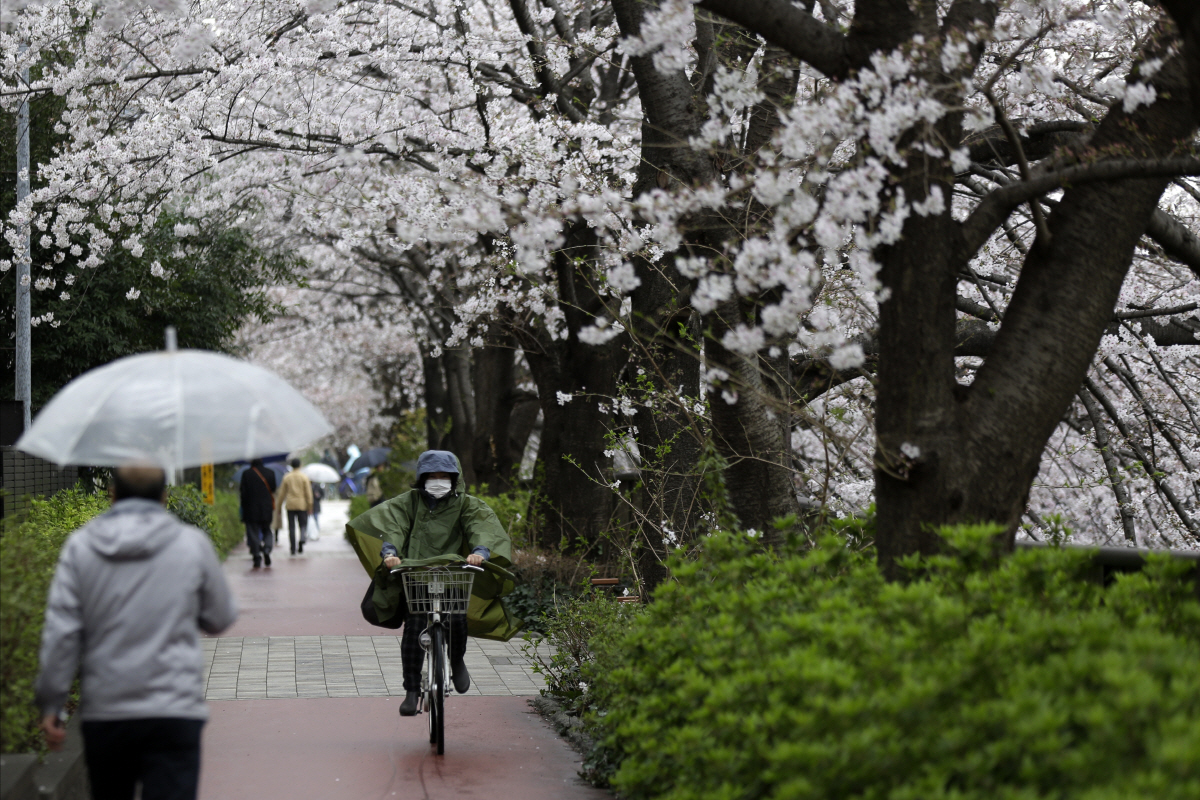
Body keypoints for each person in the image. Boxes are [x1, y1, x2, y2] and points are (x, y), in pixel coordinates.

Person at [35, 464, 237, 800]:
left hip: (107, 711)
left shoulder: (80, 546)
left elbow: (62, 632)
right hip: (174, 708)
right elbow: (221, 616)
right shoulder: (192, 544)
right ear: (164, 496)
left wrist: (51, 704)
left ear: (112, 494)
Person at [367, 450, 512, 716]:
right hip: (416, 575)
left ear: (453, 478)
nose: (437, 480)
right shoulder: (409, 503)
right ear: (421, 478)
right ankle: (412, 690)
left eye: (443, 476)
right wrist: (390, 552)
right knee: (414, 630)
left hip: (452, 574)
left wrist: (480, 552)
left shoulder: (466, 504)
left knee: (456, 620)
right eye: (431, 476)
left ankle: (456, 661)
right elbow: (395, 527)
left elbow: (480, 526)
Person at [239, 458, 276, 568]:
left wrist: (243, 508)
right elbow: (273, 489)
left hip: (251, 509)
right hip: (266, 508)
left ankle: (256, 557)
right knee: (267, 530)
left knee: (253, 532)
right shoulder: (271, 473)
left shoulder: (246, 474)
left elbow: (243, 493)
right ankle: (267, 549)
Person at [277, 458, 313, 555]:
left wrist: (279, 506)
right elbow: (308, 494)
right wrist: (310, 506)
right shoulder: (304, 477)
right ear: (300, 465)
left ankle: (293, 548)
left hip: (290, 505)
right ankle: (301, 539)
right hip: (302, 505)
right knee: (302, 524)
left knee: (291, 527)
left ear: (292, 466)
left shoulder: (287, 477)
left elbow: (281, 494)